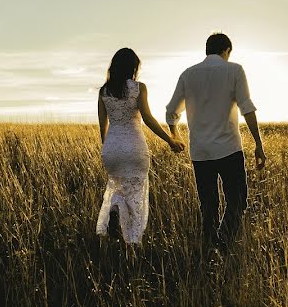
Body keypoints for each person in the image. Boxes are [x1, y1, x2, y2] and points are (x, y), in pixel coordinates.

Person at [166, 33, 265, 252]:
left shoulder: (187, 75)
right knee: (237, 201)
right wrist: (258, 143)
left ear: (207, 50)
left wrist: (175, 135)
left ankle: (210, 246)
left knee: (208, 206)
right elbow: (246, 107)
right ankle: (223, 242)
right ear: (227, 50)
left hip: (200, 152)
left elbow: (171, 111)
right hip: (229, 148)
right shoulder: (234, 70)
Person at [96, 48, 185, 245]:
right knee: (135, 196)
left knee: (117, 189)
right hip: (134, 148)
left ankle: (115, 209)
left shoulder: (105, 91)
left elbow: (103, 123)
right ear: (134, 67)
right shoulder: (138, 88)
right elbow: (148, 119)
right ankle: (133, 244)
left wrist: (107, 147)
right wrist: (170, 139)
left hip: (112, 148)